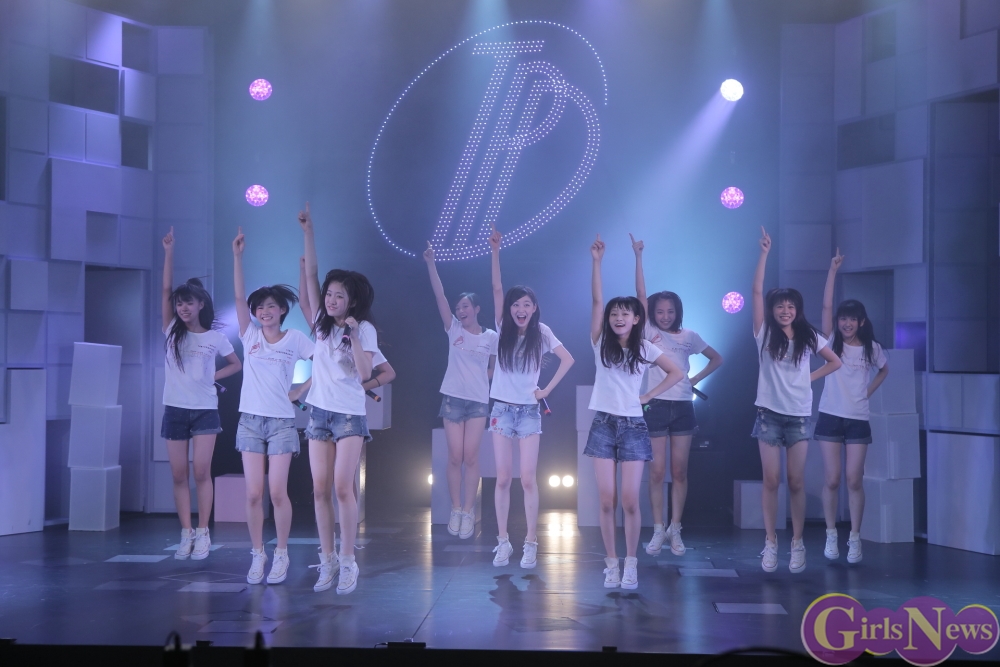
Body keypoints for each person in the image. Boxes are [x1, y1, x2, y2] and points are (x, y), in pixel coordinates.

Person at [585, 235, 684, 589]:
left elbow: (676, 372)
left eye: (624, 314)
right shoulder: (599, 342)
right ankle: (611, 563)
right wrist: (597, 262)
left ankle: (631, 563)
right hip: (603, 424)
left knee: (629, 500)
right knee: (606, 500)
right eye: (614, 314)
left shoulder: (644, 346)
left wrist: (648, 395)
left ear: (636, 318)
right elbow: (597, 300)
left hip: (633, 426)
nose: (618, 318)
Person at [751, 227, 841, 573]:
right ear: (772, 310)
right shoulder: (763, 333)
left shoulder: (809, 335)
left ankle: (798, 543)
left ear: (797, 310)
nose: (785, 311)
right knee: (771, 481)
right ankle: (770, 542)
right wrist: (764, 254)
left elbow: (834, 362)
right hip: (768, 414)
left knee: (797, 481)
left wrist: (808, 378)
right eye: (780, 306)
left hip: (799, 415)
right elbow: (756, 291)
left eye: (790, 306)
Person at [299, 203, 377, 594]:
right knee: (319, 489)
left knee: (343, 488)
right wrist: (308, 232)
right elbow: (312, 273)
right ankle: (327, 559)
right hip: (318, 414)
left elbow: (365, 375)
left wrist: (355, 336)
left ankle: (348, 561)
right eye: (328, 294)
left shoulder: (364, 330)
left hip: (348, 416)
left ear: (352, 301)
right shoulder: (320, 325)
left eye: (338, 296)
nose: (330, 300)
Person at [631, 234, 723, 557]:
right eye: (660, 311)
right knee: (657, 472)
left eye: (670, 311)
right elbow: (640, 296)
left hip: (683, 406)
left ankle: (676, 528)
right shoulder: (647, 331)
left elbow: (717, 358)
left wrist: (693, 378)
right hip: (655, 405)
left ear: (677, 312)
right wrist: (639, 256)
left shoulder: (689, 336)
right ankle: (658, 529)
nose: (665, 315)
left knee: (680, 471)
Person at [489, 226, 574, 568]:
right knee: (502, 478)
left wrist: (546, 390)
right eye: (516, 305)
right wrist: (495, 251)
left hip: (528, 412)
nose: (520, 309)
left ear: (535, 308)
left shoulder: (542, 332)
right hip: (501, 410)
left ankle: (530, 542)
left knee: (527, 478)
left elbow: (568, 359)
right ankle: (502, 542)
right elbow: (497, 288)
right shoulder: (502, 328)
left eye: (526, 304)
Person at [232, 228, 314, 585]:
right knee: (253, 493)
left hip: (281, 422)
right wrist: (237, 257)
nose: (264, 311)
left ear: (282, 310)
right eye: (259, 307)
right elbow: (238, 297)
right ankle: (257, 554)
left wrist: (300, 391)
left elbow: (324, 364)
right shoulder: (249, 335)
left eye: (270, 306)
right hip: (250, 421)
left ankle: (281, 553)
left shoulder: (295, 338)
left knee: (278, 492)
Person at [161, 226, 241, 560]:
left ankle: (204, 531)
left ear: (200, 304)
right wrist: (169, 252)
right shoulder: (170, 330)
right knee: (179, 474)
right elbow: (165, 289)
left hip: (205, 410)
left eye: (188, 303)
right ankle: (186, 533)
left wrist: (213, 376)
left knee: (201, 472)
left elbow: (236, 364)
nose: (182, 307)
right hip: (175, 409)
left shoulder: (215, 338)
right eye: (179, 304)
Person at [816, 249, 889, 564]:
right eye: (843, 318)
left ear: (861, 322)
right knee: (832, 479)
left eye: (852, 319)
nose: (846, 323)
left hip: (858, 418)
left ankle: (855, 538)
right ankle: (831, 534)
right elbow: (825, 306)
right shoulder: (832, 341)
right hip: (830, 416)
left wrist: (866, 392)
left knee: (854, 479)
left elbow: (884, 370)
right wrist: (833, 270)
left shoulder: (872, 348)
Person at [424, 242, 498, 539]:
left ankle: (469, 510)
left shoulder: (491, 337)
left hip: (478, 402)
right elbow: (439, 296)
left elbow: (495, 369)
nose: (460, 310)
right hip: (453, 399)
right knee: (454, 457)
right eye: (458, 308)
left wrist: (481, 377)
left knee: (471, 457)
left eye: (466, 306)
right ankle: (456, 508)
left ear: (477, 309)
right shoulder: (453, 329)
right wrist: (431, 263)